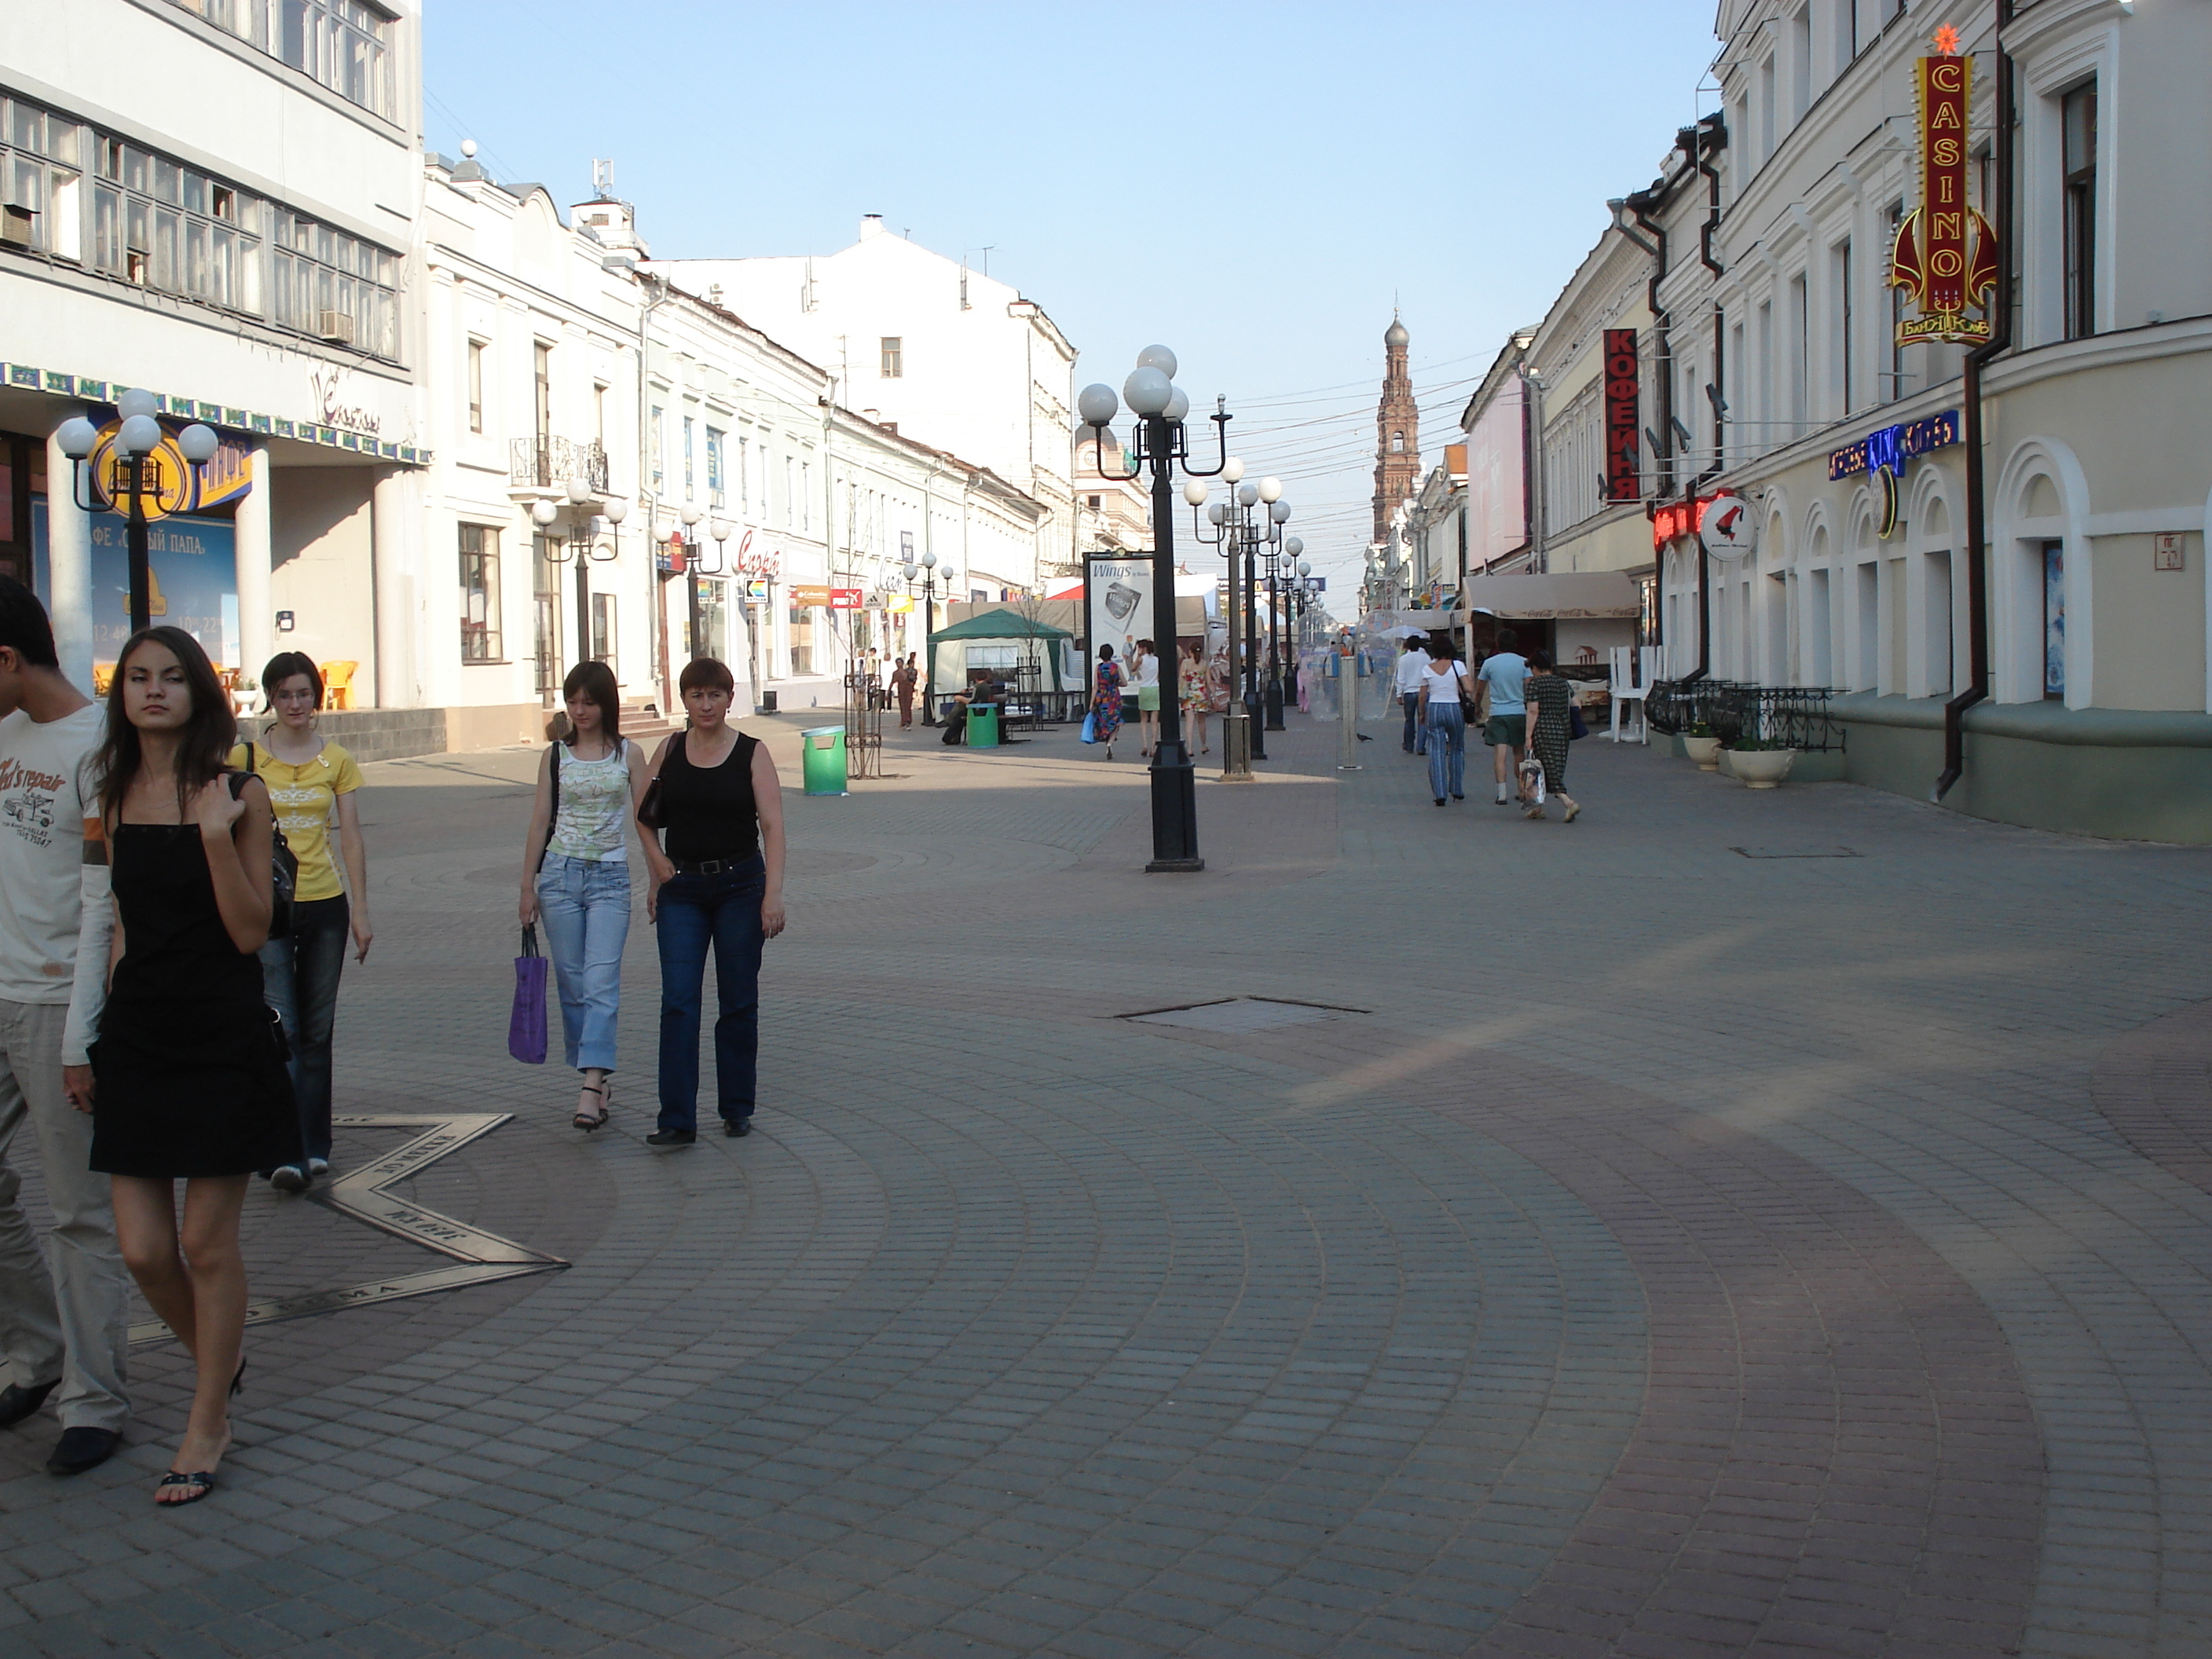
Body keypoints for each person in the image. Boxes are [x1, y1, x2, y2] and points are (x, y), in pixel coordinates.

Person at [76, 625, 296, 1505]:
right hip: (138, 1034)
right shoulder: (110, 790)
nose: (154, 691)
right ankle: (223, 1354)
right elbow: (115, 921)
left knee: (205, 1243)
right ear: (122, 693)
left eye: (172, 678)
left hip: (219, 1033)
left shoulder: (241, 791)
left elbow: (250, 932)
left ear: (200, 692)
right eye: (138, 678)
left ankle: (207, 1421)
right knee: (140, 1249)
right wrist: (85, 1039)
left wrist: (213, 836)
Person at [0, 577, 131, 1480]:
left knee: (77, 1210)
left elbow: (103, 904)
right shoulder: (3, 737)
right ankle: (37, 1350)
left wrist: (86, 1031)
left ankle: (96, 1398)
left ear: (7, 659)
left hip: (56, 1004)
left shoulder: (97, 750)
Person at [231, 653, 369, 1193]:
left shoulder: (337, 760)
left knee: (315, 1032)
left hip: (324, 904)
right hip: (265, 909)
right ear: (271, 697)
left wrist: (363, 911)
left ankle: (314, 1146)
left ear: (318, 698)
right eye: (285, 694)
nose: (295, 704)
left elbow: (352, 836)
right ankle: (283, 1147)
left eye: (304, 694)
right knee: (279, 1029)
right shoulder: (242, 756)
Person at [642, 659, 786, 1144]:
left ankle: (736, 1107)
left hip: (741, 888)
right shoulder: (669, 748)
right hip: (681, 889)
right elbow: (644, 817)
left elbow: (773, 826)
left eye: (716, 695)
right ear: (684, 699)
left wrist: (773, 894)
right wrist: (656, 867)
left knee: (738, 1000)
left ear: (729, 699)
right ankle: (677, 1119)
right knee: (679, 1001)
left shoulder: (752, 752)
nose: (706, 705)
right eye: (697, 695)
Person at [517, 662, 657, 1132]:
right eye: (572, 701)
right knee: (573, 985)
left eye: (589, 702)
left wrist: (659, 875)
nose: (579, 711)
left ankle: (592, 1084)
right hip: (558, 877)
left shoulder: (629, 755)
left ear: (605, 705)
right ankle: (591, 1073)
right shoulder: (555, 756)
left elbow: (644, 821)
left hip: (610, 881)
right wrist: (526, 887)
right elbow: (540, 821)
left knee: (600, 982)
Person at [1522, 650, 1581, 822]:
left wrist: (1528, 736)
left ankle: (1568, 802)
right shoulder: (1563, 683)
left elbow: (1533, 711)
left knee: (1545, 769)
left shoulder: (1535, 684)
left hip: (1542, 731)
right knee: (1550, 768)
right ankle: (1537, 807)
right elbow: (1577, 704)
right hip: (1562, 730)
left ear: (1536, 667)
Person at [1416, 639, 1474, 806]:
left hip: (1434, 708)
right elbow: (1469, 688)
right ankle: (1456, 789)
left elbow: (1422, 696)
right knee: (1456, 748)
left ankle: (1439, 793)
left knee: (1436, 750)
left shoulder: (1427, 669)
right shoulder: (1458, 666)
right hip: (1454, 708)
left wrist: (1422, 714)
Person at [1478, 628, 1531, 806]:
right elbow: (1529, 687)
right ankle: (1522, 789)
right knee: (1518, 752)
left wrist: (1477, 706)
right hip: (1519, 712)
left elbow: (1480, 688)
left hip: (1498, 712)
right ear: (1515, 644)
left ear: (1498, 644)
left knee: (1500, 754)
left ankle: (1502, 793)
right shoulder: (1524, 662)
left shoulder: (1489, 663)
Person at [1393, 635, 1432, 755]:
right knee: (1423, 719)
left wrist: (1399, 694)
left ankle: (1409, 745)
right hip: (1424, 691)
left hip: (1409, 692)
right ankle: (1421, 747)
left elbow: (1401, 678)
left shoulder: (1403, 659)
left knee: (1409, 720)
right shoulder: (1426, 658)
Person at [1092, 644, 1126, 760]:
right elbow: (1125, 682)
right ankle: (1110, 743)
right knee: (1116, 721)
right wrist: (1115, 684)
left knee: (1104, 721)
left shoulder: (1098, 668)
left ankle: (1106, 739)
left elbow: (1095, 687)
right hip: (1114, 697)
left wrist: (1092, 703)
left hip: (1102, 697)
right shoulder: (1116, 667)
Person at [1179, 640, 1211, 755]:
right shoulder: (1204, 664)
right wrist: (1214, 697)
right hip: (1201, 694)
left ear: (1190, 651)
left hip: (1189, 694)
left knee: (1189, 722)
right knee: (1201, 722)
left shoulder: (1186, 663)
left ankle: (1190, 748)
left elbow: (1181, 679)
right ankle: (1203, 745)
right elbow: (1209, 681)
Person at [1131, 639, 1161, 756]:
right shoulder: (1157, 660)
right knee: (1155, 720)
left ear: (1144, 648)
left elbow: (1133, 668)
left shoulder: (1141, 659)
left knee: (1144, 719)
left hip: (1144, 688)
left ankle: (1145, 745)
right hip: (1155, 688)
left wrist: (1138, 656)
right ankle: (1153, 747)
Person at [893, 654, 917, 729]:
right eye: (897, 663)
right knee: (903, 706)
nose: (899, 664)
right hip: (901, 690)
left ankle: (907, 721)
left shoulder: (907, 672)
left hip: (908, 690)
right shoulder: (896, 673)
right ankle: (903, 721)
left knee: (908, 706)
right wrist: (888, 692)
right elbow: (892, 681)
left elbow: (913, 679)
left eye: (900, 663)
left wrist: (912, 685)